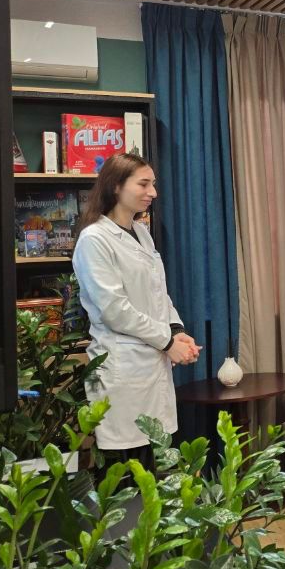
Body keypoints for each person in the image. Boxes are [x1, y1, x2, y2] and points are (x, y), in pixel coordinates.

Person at [72, 153, 200, 466]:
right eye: (143, 184)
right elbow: (115, 310)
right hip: (122, 368)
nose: (152, 192)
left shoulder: (141, 232)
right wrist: (167, 342)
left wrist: (177, 331)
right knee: (124, 470)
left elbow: (157, 293)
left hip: (152, 363)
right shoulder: (94, 239)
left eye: (153, 184)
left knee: (155, 464)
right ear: (116, 186)